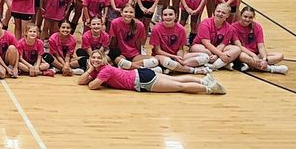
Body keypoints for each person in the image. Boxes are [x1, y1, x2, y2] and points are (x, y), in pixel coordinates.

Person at [79, 50, 225, 95]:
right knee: (178, 80)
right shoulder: (99, 69)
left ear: (103, 59)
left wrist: (91, 69)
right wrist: (91, 69)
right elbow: (81, 81)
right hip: (142, 74)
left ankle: (209, 88)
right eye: (94, 58)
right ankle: (203, 80)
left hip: (142, 80)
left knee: (179, 87)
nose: (96, 60)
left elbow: (92, 86)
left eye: (99, 58)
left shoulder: (105, 70)